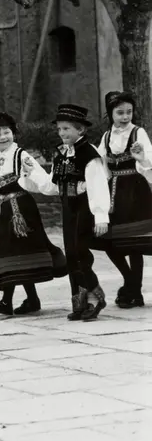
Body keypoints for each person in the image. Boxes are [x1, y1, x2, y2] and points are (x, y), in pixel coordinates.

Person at [0, 112, 67, 316]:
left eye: (6, 132)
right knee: (7, 255)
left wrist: (48, 181)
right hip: (0, 213)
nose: (2, 137)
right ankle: (27, 300)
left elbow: (40, 180)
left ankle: (11, 301)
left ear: (13, 133)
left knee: (18, 253)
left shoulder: (21, 156)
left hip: (21, 213)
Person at [24, 104, 111, 321]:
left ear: (80, 130)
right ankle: (80, 302)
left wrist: (101, 215)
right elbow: (52, 186)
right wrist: (32, 173)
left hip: (84, 206)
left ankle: (96, 297)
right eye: (59, 129)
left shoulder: (89, 154)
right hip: (68, 206)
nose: (62, 133)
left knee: (81, 252)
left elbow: (97, 186)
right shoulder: (61, 154)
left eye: (67, 129)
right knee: (72, 254)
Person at [93, 91, 152, 308]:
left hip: (136, 192)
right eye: (120, 112)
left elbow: (149, 161)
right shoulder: (106, 136)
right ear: (111, 113)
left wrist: (141, 158)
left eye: (129, 112)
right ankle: (130, 283)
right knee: (111, 241)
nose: (125, 116)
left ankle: (135, 293)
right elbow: (100, 164)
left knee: (134, 243)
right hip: (114, 194)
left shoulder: (138, 132)